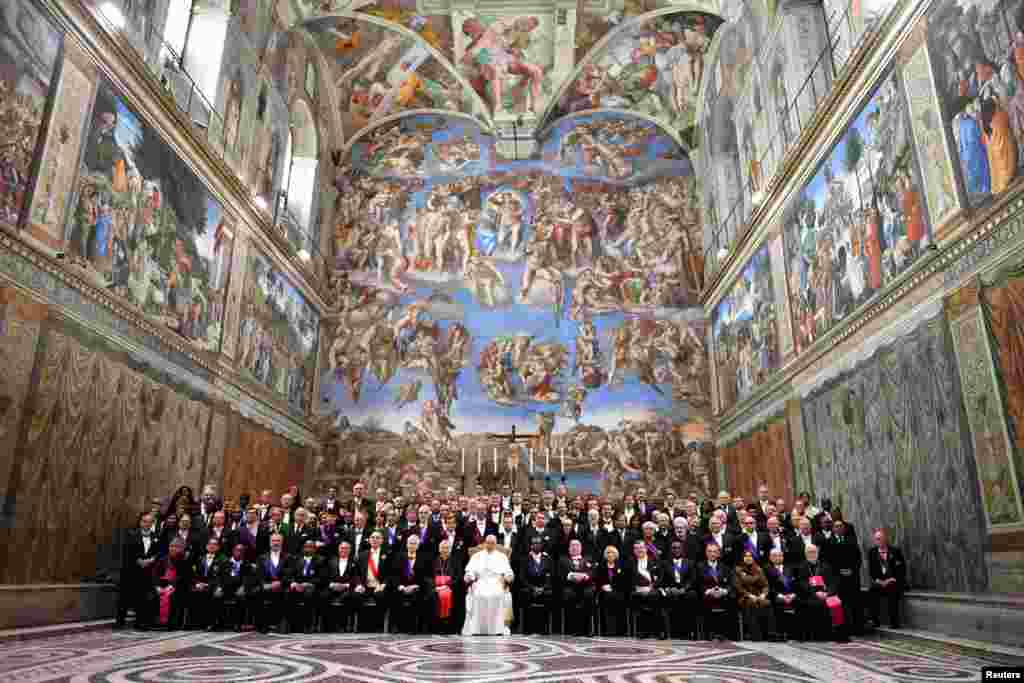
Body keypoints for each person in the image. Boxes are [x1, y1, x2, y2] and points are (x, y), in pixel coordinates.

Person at [462, 535, 515, 636]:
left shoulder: (502, 556)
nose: (490, 545)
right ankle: (478, 629)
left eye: (492, 543)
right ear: (485, 543)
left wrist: (508, 577)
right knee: (478, 595)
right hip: (481, 582)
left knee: (497, 595)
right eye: (488, 542)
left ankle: (497, 629)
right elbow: (470, 571)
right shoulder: (477, 556)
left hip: (497, 582)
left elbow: (509, 572)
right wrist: (469, 576)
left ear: (495, 544)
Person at [796, 544, 848, 642]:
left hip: (827, 594)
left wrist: (827, 593)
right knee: (818, 604)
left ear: (818, 553)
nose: (812, 554)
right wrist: (816, 593)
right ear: (805, 554)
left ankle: (838, 635)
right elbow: (802, 584)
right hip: (810, 595)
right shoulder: (802, 567)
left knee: (838, 604)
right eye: (810, 552)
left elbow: (833, 582)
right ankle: (821, 635)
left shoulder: (825, 566)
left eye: (814, 552)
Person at [117, 512, 160, 629]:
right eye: (144, 521)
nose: (147, 524)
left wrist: (151, 560)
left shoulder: (156, 536)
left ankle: (140, 623)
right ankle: (120, 622)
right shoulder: (131, 534)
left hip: (146, 572)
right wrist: (137, 560)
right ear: (140, 522)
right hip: (131, 571)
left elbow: (158, 553)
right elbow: (126, 551)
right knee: (125, 597)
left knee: (142, 598)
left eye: (149, 522)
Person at [392, 535, 434, 633]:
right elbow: (393, 575)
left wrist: (416, 585)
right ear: (407, 545)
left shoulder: (424, 558)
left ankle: (413, 628)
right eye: (410, 543)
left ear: (418, 545)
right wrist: (400, 586)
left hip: (417, 587)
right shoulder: (398, 556)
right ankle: (397, 627)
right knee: (394, 596)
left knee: (418, 598)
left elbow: (428, 576)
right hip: (401, 587)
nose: (412, 545)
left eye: (415, 543)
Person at [733, 549, 777, 641]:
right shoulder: (738, 570)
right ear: (743, 558)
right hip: (744, 597)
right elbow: (738, 587)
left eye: (750, 556)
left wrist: (763, 594)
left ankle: (771, 634)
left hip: (758, 596)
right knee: (751, 603)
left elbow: (765, 585)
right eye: (746, 556)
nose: (748, 558)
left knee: (767, 603)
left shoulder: (759, 569)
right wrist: (749, 595)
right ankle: (756, 635)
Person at [867, 528, 905, 629]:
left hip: (892, 581)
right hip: (880, 582)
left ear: (885, 539)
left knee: (893, 590)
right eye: (877, 539)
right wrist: (878, 580)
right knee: (872, 591)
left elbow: (901, 569)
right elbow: (871, 570)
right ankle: (874, 621)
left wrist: (892, 579)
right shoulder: (872, 552)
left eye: (880, 538)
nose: (879, 541)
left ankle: (894, 622)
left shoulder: (895, 551)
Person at [830, 519, 862, 634]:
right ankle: (844, 629)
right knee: (841, 605)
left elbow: (858, 558)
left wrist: (852, 570)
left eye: (841, 526)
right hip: (838, 579)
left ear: (844, 528)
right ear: (833, 529)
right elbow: (829, 561)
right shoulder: (830, 542)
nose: (839, 528)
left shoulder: (852, 540)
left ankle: (857, 628)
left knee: (854, 603)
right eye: (836, 526)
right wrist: (840, 571)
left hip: (852, 577)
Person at [320, 541, 361, 632]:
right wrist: (331, 584)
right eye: (342, 548)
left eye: (346, 548)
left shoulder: (354, 562)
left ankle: (344, 625)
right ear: (338, 549)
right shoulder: (330, 561)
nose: (344, 550)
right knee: (323, 596)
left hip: (347, 588)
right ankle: (326, 625)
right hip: (332, 587)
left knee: (348, 597)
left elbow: (357, 577)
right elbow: (325, 576)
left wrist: (346, 585)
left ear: (350, 550)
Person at [697, 542, 734, 640]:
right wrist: (709, 591)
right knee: (706, 601)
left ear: (718, 553)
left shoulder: (725, 567)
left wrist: (724, 591)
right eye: (709, 551)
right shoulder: (699, 566)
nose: (712, 554)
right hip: (707, 595)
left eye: (714, 551)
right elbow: (698, 583)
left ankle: (725, 633)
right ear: (706, 553)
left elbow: (730, 583)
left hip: (722, 595)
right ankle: (710, 633)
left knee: (730, 599)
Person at [661, 539, 697, 638]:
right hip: (671, 590)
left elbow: (692, 579)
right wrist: (668, 588)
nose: (676, 550)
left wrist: (684, 589)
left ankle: (690, 632)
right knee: (663, 597)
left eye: (678, 548)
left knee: (692, 596)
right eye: (674, 548)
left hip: (685, 590)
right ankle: (667, 632)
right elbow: (662, 579)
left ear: (682, 549)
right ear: (671, 550)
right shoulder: (665, 563)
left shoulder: (690, 563)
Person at [628, 540, 663, 638]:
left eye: (641, 547)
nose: (639, 550)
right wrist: (636, 588)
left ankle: (658, 631)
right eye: (636, 548)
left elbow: (661, 577)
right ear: (634, 550)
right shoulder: (630, 562)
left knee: (654, 596)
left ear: (646, 549)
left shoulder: (655, 560)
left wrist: (652, 587)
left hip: (653, 589)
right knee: (637, 597)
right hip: (637, 590)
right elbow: (627, 579)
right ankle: (643, 631)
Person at [519, 536, 554, 634]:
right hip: (529, 588)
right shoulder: (525, 559)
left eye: (538, 543)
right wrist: (533, 588)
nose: (536, 545)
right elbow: (522, 577)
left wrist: (543, 588)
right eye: (534, 543)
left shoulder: (548, 559)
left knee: (548, 596)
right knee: (525, 595)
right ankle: (527, 629)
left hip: (544, 588)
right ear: (531, 545)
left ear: (542, 545)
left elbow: (550, 576)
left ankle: (545, 629)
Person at [357, 530, 391, 632]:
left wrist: (383, 584)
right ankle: (361, 626)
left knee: (380, 596)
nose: (375, 539)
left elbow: (390, 573)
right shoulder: (362, 554)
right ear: (369, 540)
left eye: (377, 538)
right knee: (356, 595)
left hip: (379, 586)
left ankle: (378, 627)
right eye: (373, 537)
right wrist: (359, 584)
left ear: (382, 540)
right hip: (365, 586)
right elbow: (357, 572)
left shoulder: (387, 554)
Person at [560, 539, 595, 635]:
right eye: (572, 546)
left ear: (581, 548)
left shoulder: (589, 558)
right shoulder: (563, 559)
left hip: (586, 586)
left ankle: (588, 629)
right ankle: (574, 629)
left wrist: (586, 576)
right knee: (569, 595)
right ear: (569, 548)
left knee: (588, 595)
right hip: (570, 586)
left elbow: (593, 572)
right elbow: (560, 574)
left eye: (577, 545)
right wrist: (571, 576)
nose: (575, 547)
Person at [286, 539, 322, 633]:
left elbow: (322, 578)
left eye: (310, 547)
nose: (308, 549)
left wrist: (308, 584)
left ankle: (308, 625)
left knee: (308, 594)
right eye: (306, 547)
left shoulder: (320, 560)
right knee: (288, 592)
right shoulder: (296, 559)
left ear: (315, 549)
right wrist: (293, 583)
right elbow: (290, 575)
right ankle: (290, 625)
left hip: (313, 587)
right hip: (298, 586)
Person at [256, 532, 289, 633]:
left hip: (282, 586)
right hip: (266, 586)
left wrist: (280, 583)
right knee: (257, 592)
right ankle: (263, 625)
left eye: (278, 541)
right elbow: (258, 575)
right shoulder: (262, 557)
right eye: (273, 540)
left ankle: (281, 625)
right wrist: (265, 585)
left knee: (287, 594)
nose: (276, 543)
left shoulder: (288, 557)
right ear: (270, 542)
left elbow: (289, 574)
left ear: (282, 542)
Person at [189, 538, 224, 630]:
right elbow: (194, 574)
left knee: (211, 594)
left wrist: (208, 585)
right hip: (200, 585)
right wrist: (197, 583)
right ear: (206, 546)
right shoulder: (200, 558)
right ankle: (195, 622)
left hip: (214, 586)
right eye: (210, 544)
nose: (212, 546)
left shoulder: (223, 559)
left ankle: (211, 622)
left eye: (214, 544)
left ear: (218, 547)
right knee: (190, 591)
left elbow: (222, 577)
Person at [595, 545, 628, 636]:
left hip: (618, 591)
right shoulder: (601, 566)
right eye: (608, 552)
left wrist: (613, 587)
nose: (610, 554)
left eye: (612, 552)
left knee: (619, 598)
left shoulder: (621, 565)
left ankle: (620, 631)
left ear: (616, 554)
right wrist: (602, 586)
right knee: (606, 598)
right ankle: (607, 630)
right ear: (605, 555)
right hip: (604, 592)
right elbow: (597, 580)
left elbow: (624, 580)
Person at [765, 548, 798, 640]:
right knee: (776, 604)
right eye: (775, 556)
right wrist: (781, 596)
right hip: (775, 596)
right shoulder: (766, 569)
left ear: (783, 557)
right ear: (770, 557)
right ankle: (778, 634)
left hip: (791, 596)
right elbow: (767, 586)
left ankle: (796, 634)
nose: (778, 558)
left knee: (802, 602)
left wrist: (793, 594)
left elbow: (796, 584)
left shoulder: (790, 568)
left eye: (780, 555)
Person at [433, 539, 464, 634]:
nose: (444, 550)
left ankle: (449, 628)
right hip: (436, 588)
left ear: (450, 549)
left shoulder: (455, 560)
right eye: (442, 548)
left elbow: (459, 576)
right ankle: (437, 627)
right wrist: (435, 586)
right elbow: (428, 576)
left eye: (447, 548)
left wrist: (448, 586)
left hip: (451, 587)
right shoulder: (434, 561)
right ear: (439, 549)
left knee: (453, 596)